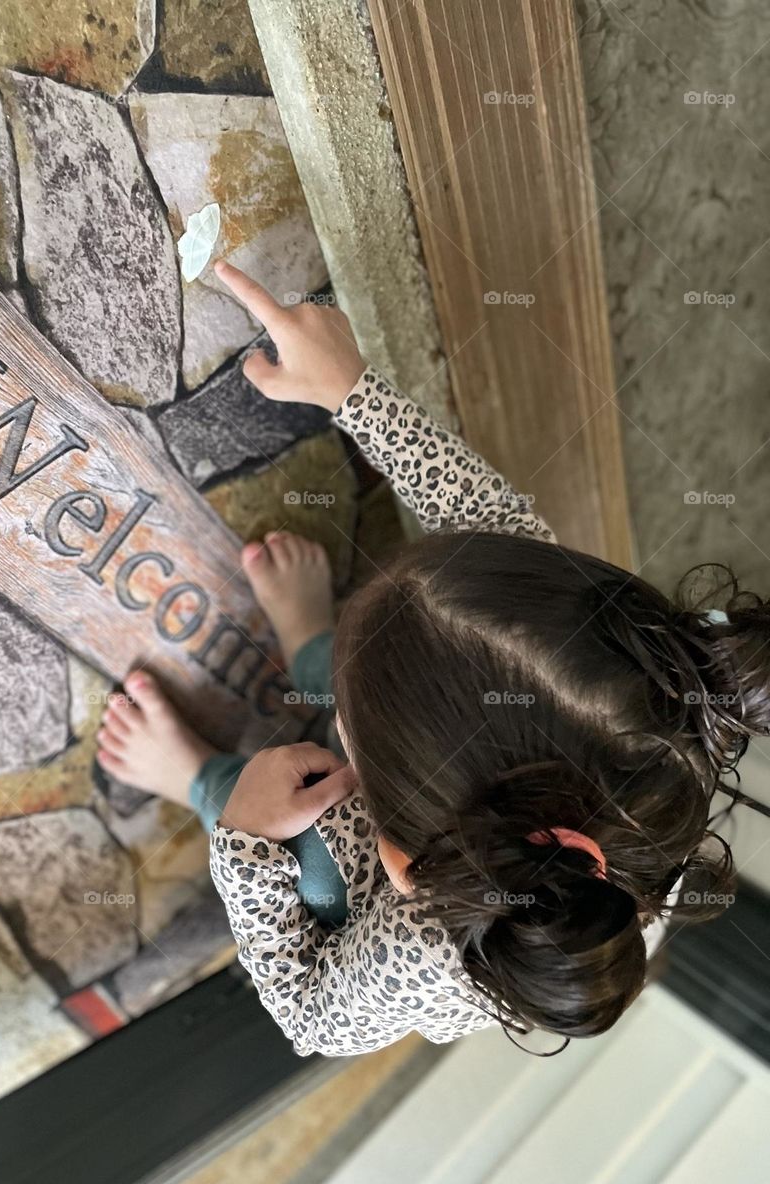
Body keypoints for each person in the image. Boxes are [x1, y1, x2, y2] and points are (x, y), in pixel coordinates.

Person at [96, 261, 760, 1056]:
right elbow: (488, 517)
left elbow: (307, 1017)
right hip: (464, 819)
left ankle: (197, 777)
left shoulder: (421, 948)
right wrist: (354, 392)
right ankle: (313, 644)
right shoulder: (595, 674)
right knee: (336, 694)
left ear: (407, 869)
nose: (342, 722)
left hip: (360, 887)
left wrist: (240, 838)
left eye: (351, 719)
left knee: (296, 842)